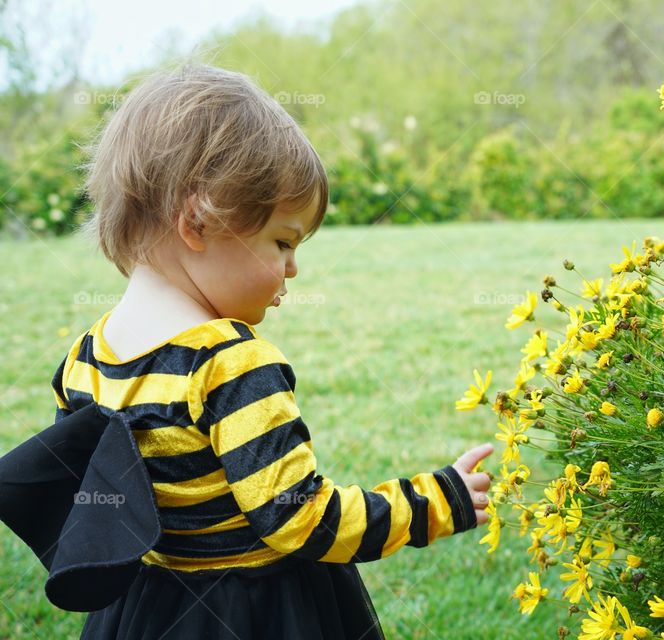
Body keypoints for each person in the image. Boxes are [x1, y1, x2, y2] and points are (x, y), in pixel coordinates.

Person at [49, 63, 493, 639]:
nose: (292, 267)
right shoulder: (228, 361)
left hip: (143, 611)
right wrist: (438, 500)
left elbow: (91, 505)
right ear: (198, 220)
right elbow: (306, 521)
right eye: (282, 241)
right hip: (257, 612)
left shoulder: (87, 356)